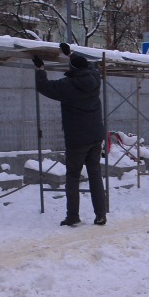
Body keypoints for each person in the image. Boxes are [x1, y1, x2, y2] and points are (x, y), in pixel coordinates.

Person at [32, 43, 107, 227]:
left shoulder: (68, 86)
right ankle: (100, 215)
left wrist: (40, 69)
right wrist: (70, 54)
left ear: (72, 69)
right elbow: (87, 65)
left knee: (73, 176)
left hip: (77, 140)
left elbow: (44, 87)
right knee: (95, 174)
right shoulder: (95, 77)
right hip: (96, 136)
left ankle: (73, 216)